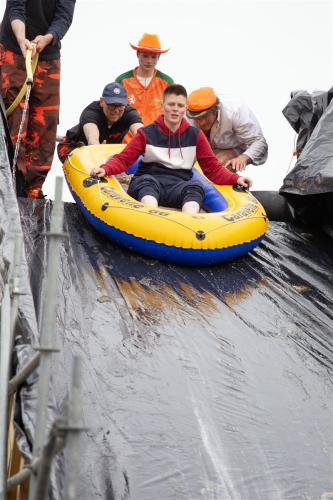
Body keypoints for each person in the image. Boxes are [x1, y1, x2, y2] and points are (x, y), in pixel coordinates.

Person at [90, 84, 252, 214]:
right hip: (149, 180)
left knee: (195, 187)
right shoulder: (147, 133)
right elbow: (124, 159)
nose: (175, 109)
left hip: (178, 186)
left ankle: (190, 225)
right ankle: (150, 217)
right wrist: (105, 169)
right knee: (147, 182)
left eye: (180, 105)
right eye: (171, 104)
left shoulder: (195, 136)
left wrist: (235, 179)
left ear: (185, 110)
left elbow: (212, 169)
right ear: (163, 107)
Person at [0, 0, 76, 198]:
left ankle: (33, 187)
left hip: (47, 54)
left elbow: (64, 17)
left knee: (45, 124)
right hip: (14, 49)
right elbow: (15, 9)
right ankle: (10, 180)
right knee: (14, 119)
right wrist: (21, 39)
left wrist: (48, 38)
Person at [187, 87, 268, 172]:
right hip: (203, 147)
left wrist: (244, 158)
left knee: (219, 164)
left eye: (205, 116)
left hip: (235, 147)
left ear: (216, 110)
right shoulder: (184, 115)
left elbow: (258, 142)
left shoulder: (235, 110)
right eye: (197, 118)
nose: (202, 123)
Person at [57, 82, 143, 163]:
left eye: (120, 105)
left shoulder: (130, 113)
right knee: (91, 169)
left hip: (107, 151)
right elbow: (93, 139)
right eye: (112, 105)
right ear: (102, 102)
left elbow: (142, 135)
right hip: (73, 146)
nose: (116, 110)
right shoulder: (91, 112)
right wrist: (99, 151)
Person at [115, 33, 174, 129]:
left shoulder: (167, 82)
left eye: (153, 57)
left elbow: (174, 113)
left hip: (156, 141)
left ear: (159, 57)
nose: (149, 61)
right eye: (145, 56)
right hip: (127, 141)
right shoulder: (122, 81)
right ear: (137, 54)